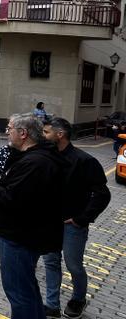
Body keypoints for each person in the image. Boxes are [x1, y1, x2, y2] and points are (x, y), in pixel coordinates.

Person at [0, 113, 66, 319]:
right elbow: (17, 186)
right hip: (24, 234)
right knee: (27, 289)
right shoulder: (30, 157)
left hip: (20, 238)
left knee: (19, 293)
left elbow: (12, 198)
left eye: (9, 128)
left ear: (23, 133)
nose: (6, 132)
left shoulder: (35, 162)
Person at [41, 117, 111, 318]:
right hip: (50, 223)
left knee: (73, 265)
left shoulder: (85, 161)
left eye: (47, 132)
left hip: (73, 225)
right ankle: (52, 305)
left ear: (60, 134)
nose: (44, 136)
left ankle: (78, 299)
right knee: (51, 262)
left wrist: (82, 219)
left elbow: (103, 194)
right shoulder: (47, 156)